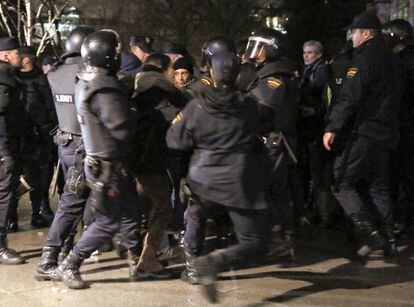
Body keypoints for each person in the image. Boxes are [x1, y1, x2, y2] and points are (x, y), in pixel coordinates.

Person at [166, 52, 269, 303]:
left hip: (203, 178)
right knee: (255, 243)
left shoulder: (196, 105)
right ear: (237, 75)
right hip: (238, 181)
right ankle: (213, 261)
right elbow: (265, 130)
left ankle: (193, 265)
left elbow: (174, 140)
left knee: (195, 215)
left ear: (211, 74)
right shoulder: (250, 106)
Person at [57, 30, 141, 289]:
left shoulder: (85, 78)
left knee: (131, 213)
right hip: (108, 166)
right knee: (107, 222)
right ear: (106, 56)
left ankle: (137, 262)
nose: (118, 56)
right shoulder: (104, 86)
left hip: (104, 162)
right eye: (115, 52)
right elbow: (121, 128)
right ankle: (70, 262)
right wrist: (136, 109)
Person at [323, 12, 402, 259]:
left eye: (354, 32)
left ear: (366, 33)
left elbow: (351, 96)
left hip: (365, 131)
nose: (352, 37)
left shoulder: (364, 59)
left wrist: (333, 127)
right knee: (378, 187)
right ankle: (389, 239)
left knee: (341, 183)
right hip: (387, 132)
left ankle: (371, 235)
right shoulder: (393, 59)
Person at [35, 26, 95, 282]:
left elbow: (44, 110)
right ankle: (51, 258)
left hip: (65, 143)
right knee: (73, 202)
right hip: (85, 144)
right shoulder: (88, 75)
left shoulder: (54, 73)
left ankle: (67, 250)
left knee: (73, 200)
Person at [246, 28, 299, 260]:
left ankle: (280, 240)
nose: (253, 52)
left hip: (273, 142)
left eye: (258, 46)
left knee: (271, 189)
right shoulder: (268, 74)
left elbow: (262, 110)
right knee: (272, 190)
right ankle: (278, 238)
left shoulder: (273, 79)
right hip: (271, 141)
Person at [131, 53, 185, 279]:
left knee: (142, 210)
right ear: (162, 69)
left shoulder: (134, 86)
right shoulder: (159, 89)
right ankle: (148, 260)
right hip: (150, 161)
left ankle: (138, 254)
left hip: (135, 161)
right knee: (163, 207)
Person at [16, 46, 58, 228]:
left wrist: (51, 129)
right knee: (23, 176)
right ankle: (13, 217)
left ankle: (40, 210)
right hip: (22, 136)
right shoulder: (13, 79)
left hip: (41, 135)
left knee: (43, 174)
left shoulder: (42, 80)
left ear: (27, 59)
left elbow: (50, 106)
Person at [382, 19, 414, 234]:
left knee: (404, 174)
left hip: (405, 126)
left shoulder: (404, 63)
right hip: (402, 125)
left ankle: (402, 219)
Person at [298, 40, 330, 224]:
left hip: (316, 128)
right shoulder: (311, 71)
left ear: (318, 54)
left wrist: (315, 111)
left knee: (317, 172)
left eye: (310, 52)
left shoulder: (320, 71)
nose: (306, 55)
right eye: (305, 52)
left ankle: (322, 213)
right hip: (311, 127)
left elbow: (324, 97)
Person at [0, 37, 26, 265]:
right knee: (3, 195)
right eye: (17, 53)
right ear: (6, 55)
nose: (22, 57)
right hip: (3, 146)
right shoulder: (5, 78)